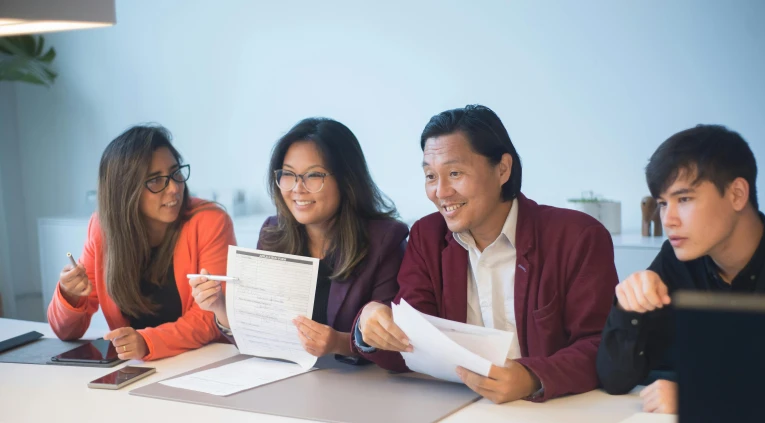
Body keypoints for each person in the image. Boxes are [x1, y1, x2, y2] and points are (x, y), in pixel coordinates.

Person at [353, 105, 617, 402]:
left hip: (557, 409)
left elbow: (601, 345)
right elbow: (412, 348)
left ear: (502, 169)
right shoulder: (427, 237)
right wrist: (370, 327)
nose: (440, 192)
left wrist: (532, 377)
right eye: (430, 176)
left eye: (454, 173)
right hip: (459, 409)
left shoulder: (576, 236)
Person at [597, 124, 765, 413]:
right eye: (662, 203)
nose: (667, 219)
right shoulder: (677, 258)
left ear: (736, 194)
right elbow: (615, 379)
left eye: (684, 199)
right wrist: (628, 308)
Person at [190, 118, 408, 362]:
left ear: (347, 180)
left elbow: (394, 346)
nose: (297, 188)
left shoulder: (385, 240)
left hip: (362, 387)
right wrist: (220, 306)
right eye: (289, 175)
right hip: (287, 381)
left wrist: (339, 342)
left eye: (313, 175)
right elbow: (260, 335)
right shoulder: (273, 233)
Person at [48, 125, 236, 361]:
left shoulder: (210, 221)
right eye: (156, 180)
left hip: (202, 361)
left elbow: (211, 316)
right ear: (125, 191)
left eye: (176, 172)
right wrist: (70, 295)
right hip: (137, 368)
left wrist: (149, 342)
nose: (175, 188)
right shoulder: (102, 227)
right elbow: (66, 332)